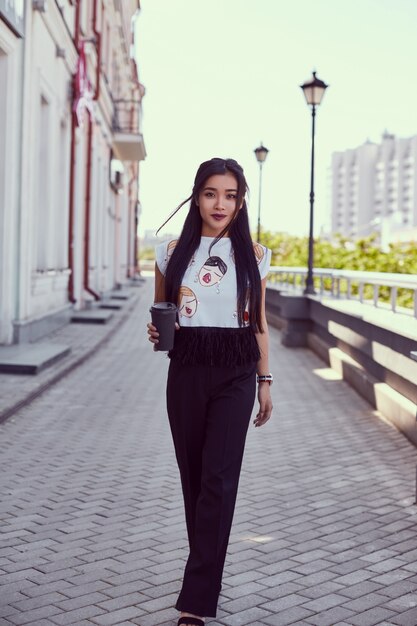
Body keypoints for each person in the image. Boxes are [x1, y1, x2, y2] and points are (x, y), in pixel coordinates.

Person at [147, 157, 273, 626]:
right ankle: (203, 570)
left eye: (231, 195)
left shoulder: (256, 256)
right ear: (196, 196)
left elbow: (258, 322)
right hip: (187, 370)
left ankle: (195, 602)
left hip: (236, 371)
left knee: (219, 483)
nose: (220, 204)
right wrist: (157, 332)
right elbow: (161, 313)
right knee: (195, 480)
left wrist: (265, 381)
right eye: (211, 193)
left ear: (241, 201)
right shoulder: (170, 251)